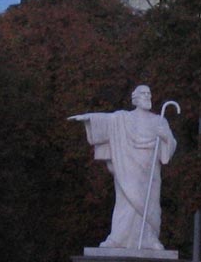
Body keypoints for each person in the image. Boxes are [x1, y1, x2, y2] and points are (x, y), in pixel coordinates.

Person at [69, 85, 177, 250]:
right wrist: (87, 118)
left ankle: (150, 239)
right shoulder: (123, 118)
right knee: (126, 202)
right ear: (135, 98)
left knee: (150, 203)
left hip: (150, 170)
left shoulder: (159, 121)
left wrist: (166, 137)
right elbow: (106, 121)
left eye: (149, 93)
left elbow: (170, 146)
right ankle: (118, 238)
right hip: (127, 166)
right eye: (143, 93)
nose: (147, 96)